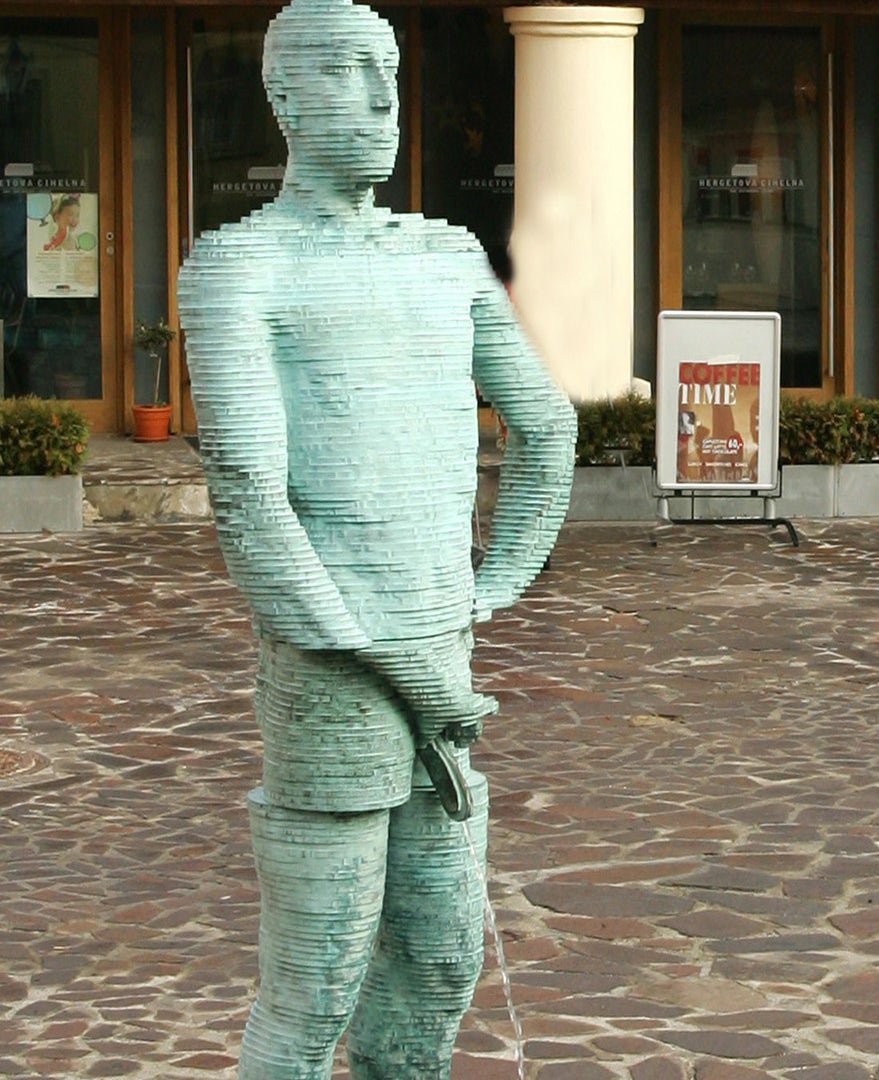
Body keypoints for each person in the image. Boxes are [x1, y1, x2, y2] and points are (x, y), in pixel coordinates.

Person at [176, 2, 574, 1076]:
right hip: (333, 676)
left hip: (442, 653)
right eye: (350, 71)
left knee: (442, 958)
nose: (386, 99)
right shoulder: (237, 265)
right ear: (284, 97)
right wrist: (397, 659)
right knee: (317, 980)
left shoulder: (445, 254)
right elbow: (251, 495)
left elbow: (546, 424)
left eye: (390, 69)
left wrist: (491, 588)